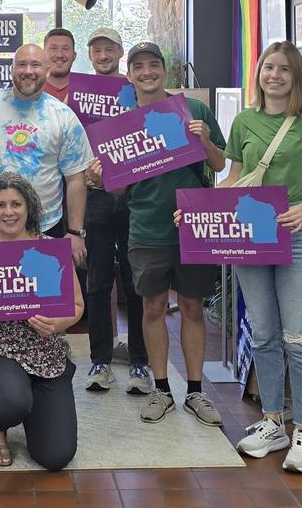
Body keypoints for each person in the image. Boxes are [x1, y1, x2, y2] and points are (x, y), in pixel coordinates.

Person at [210, 42, 302, 473]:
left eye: (284, 69)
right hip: (252, 236)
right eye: (268, 67)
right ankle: (273, 422)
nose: (274, 75)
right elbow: (233, 178)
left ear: (296, 77)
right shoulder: (245, 121)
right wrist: (199, 209)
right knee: (265, 334)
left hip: (300, 235)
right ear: (258, 73)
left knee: (299, 337)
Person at [93, 41, 226, 429]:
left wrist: (201, 137)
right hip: (146, 226)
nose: (146, 72)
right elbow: (118, 190)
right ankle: (162, 390)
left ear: (163, 71)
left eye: (153, 65)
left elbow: (219, 163)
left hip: (194, 225)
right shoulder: (124, 121)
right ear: (129, 74)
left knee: (192, 308)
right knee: (152, 309)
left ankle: (196, 391)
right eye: (139, 66)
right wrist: (103, 177)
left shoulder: (193, 109)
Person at [0, 173, 84, 470]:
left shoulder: (50, 248)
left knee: (56, 456)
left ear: (29, 208)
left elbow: (77, 305)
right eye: (1, 205)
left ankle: (30, 401)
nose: (9, 212)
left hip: (48, 358)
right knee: (9, 403)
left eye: (16, 204)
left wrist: (57, 324)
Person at [0, 44, 93, 265]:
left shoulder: (64, 117)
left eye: (35, 65)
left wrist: (74, 232)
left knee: (46, 296)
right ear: (11, 69)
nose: (28, 71)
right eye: (21, 64)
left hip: (45, 226)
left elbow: (75, 178)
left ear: (47, 70)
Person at [80, 28, 152, 396]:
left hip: (136, 197)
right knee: (97, 281)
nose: (103, 54)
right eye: (97, 50)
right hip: (95, 196)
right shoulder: (81, 96)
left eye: (110, 49)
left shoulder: (136, 92)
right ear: (90, 55)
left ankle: (140, 360)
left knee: (135, 281)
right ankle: (100, 360)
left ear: (119, 53)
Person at [41, 27, 77, 102]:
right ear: (43, 54)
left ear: (74, 56)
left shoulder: (87, 92)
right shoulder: (32, 90)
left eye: (65, 49)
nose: (59, 55)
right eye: (54, 48)